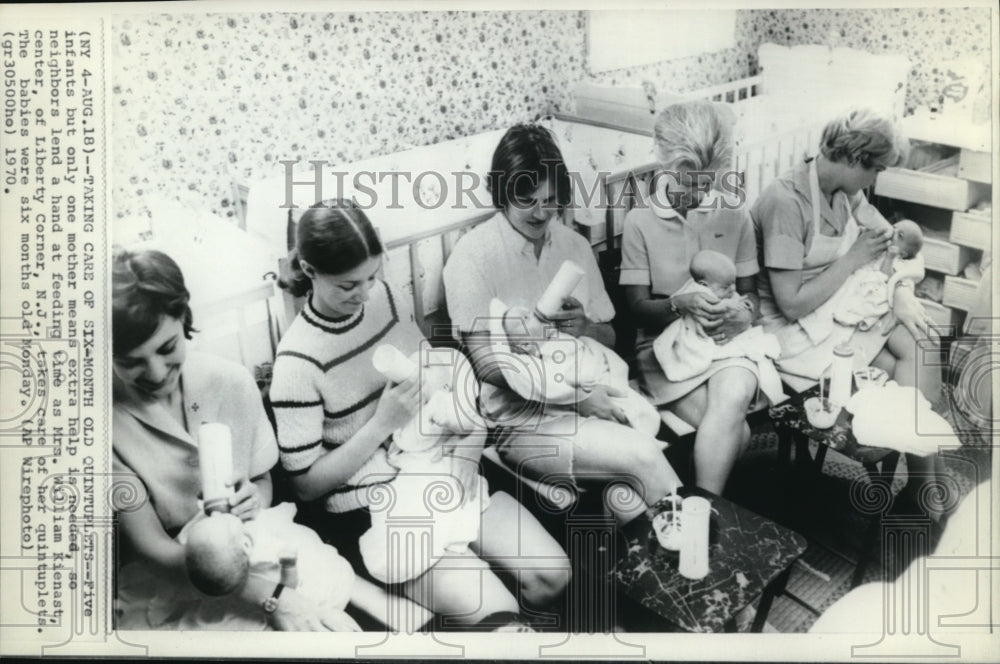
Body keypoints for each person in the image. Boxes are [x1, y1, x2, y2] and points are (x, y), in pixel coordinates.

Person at [269, 200, 569, 628]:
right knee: (501, 618)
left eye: (372, 276)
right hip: (373, 508)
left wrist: (470, 443)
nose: (365, 293)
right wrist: (381, 424)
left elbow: (438, 375)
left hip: (436, 464)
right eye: (348, 285)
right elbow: (306, 486)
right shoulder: (296, 364)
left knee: (553, 575)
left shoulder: (386, 298)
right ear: (310, 271)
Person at [443, 124, 682, 524]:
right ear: (502, 193)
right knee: (643, 455)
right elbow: (485, 365)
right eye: (527, 200)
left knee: (627, 494)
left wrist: (584, 327)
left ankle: (641, 577)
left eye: (552, 200)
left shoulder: (572, 245)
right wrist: (575, 400)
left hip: (591, 392)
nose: (541, 212)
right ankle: (696, 551)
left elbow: (610, 336)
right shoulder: (473, 255)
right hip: (520, 420)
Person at [112, 248, 341, 631]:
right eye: (130, 361)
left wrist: (253, 497)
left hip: (251, 542)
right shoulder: (101, 423)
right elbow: (151, 549)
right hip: (173, 574)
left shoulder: (231, 380)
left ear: (184, 318)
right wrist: (272, 598)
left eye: (167, 348)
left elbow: (262, 482)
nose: (153, 373)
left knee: (330, 606)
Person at [751, 108, 943, 515]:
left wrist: (902, 291)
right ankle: (927, 488)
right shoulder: (784, 200)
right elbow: (790, 303)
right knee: (895, 365)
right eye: (876, 171)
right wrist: (854, 258)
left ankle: (923, 485)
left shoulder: (847, 193)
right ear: (855, 159)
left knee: (920, 340)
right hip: (793, 329)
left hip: (835, 307)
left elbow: (890, 244)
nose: (876, 181)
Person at [619, 101, 761, 495]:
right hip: (666, 348)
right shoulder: (640, 221)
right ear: (666, 168)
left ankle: (700, 514)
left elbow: (752, 296)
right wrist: (679, 304)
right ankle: (706, 510)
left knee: (732, 394)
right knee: (739, 434)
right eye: (690, 183)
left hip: (729, 342)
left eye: (708, 183)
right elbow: (636, 309)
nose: (700, 193)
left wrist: (744, 316)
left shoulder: (735, 214)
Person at [652, 250, 785, 405]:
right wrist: (734, 304)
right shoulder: (699, 291)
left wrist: (745, 308)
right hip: (697, 337)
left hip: (720, 334)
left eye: (734, 284)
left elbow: (745, 293)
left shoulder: (716, 286)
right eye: (726, 287)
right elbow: (718, 306)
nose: (733, 290)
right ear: (703, 285)